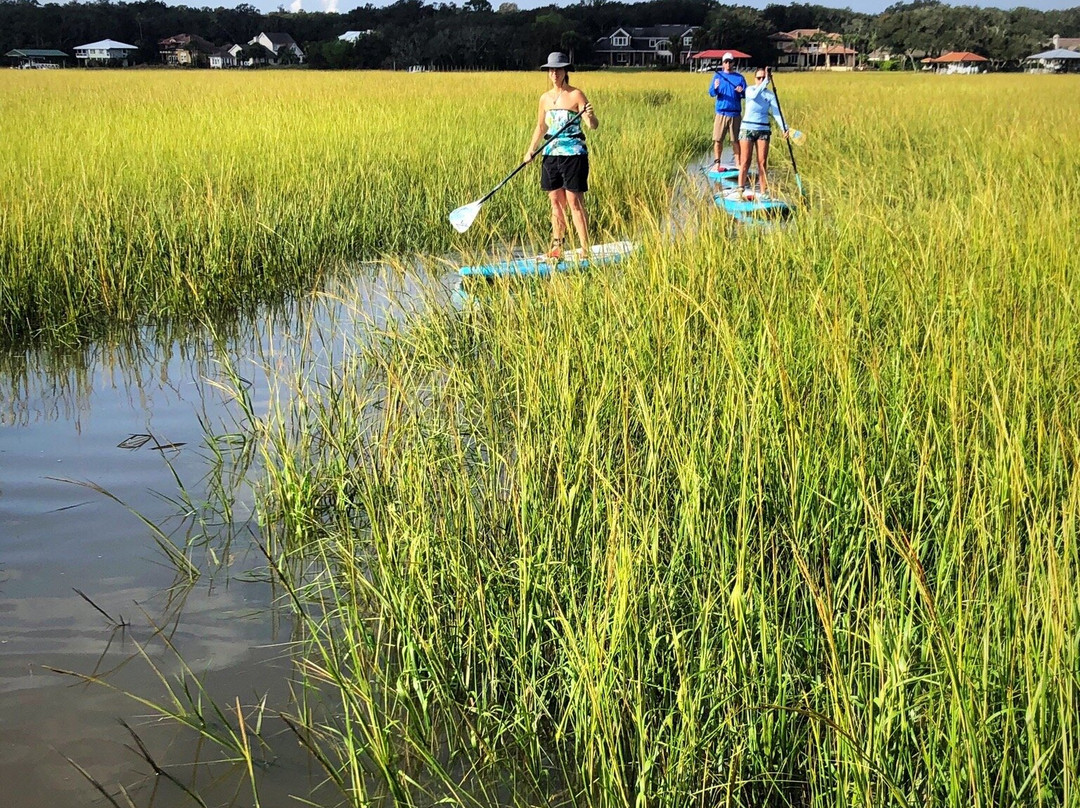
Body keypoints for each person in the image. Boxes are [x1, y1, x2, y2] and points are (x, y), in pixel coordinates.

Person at [524, 51, 597, 260]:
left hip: (573, 154)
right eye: (551, 70)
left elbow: (592, 125)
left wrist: (590, 116)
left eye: (558, 69)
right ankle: (557, 247)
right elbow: (540, 126)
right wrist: (530, 150)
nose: (554, 73)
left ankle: (585, 248)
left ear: (566, 71)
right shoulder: (545, 98)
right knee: (555, 200)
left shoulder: (576, 95)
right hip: (550, 154)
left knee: (574, 201)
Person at [736, 67, 789, 201]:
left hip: (763, 130)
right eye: (759, 78)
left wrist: (784, 128)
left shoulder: (770, 94)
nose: (761, 80)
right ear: (755, 79)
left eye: (763, 77)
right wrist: (765, 81)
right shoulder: (750, 90)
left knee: (762, 162)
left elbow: (777, 113)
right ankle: (740, 189)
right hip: (747, 128)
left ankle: (763, 191)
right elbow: (754, 96)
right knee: (745, 161)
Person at [708, 52, 746, 170]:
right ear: (722, 63)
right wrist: (715, 87)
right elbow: (711, 93)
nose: (728, 64)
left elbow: (746, 94)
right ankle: (717, 163)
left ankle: (738, 164)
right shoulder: (718, 76)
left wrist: (741, 91)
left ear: (733, 63)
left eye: (730, 61)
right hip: (721, 113)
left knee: (735, 140)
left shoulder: (739, 78)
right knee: (718, 139)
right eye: (726, 62)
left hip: (735, 114)